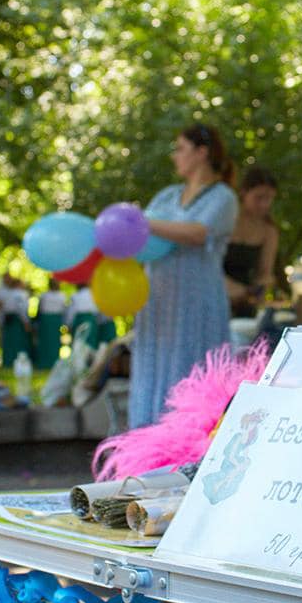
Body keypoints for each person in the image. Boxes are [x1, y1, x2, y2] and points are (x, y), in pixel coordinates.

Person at [128, 124, 239, 427]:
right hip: (158, 305)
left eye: (180, 148)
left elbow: (197, 232)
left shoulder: (223, 197)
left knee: (190, 371)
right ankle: (145, 455)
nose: (175, 156)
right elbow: (137, 236)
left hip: (196, 305)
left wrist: (143, 222)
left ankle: (186, 457)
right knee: (152, 372)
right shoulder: (167, 196)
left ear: (201, 153)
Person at [223, 166, 281, 317]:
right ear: (244, 193)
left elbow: (265, 273)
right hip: (213, 293)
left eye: (269, 198)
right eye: (258, 197)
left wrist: (261, 288)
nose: (264, 204)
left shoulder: (269, 231)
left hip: (244, 303)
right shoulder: (224, 220)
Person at [0, 273, 31, 367]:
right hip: (15, 319)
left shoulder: (10, 293)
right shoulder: (20, 294)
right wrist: (26, 322)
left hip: (9, 317)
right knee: (16, 341)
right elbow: (21, 309)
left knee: (9, 342)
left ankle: (8, 361)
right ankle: (16, 361)